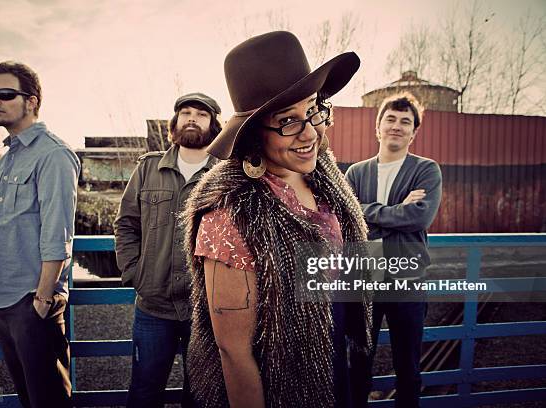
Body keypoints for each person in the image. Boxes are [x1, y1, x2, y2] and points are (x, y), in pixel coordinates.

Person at [181, 31, 372, 408]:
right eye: (288, 120)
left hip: (333, 358)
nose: (311, 131)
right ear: (253, 134)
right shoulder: (229, 212)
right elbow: (233, 352)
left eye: (313, 109)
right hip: (278, 380)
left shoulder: (324, 175)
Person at [0, 61, 80, 408]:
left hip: (31, 301)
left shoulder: (53, 154)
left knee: (49, 400)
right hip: (2, 298)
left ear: (32, 101)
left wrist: (41, 299)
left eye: (6, 94)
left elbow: (58, 233)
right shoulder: (8, 157)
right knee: (27, 397)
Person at [114, 92, 222, 407]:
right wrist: (135, 273)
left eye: (201, 114)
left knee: (201, 395)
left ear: (214, 125)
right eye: (185, 112)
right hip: (153, 307)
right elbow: (125, 225)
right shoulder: (148, 169)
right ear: (174, 123)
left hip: (204, 309)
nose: (192, 118)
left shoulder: (224, 174)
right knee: (145, 391)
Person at [346, 92, 443, 408]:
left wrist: (367, 211)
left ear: (414, 132)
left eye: (406, 122)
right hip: (365, 279)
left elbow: (419, 216)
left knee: (408, 365)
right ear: (377, 127)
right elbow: (347, 222)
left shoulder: (426, 170)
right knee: (358, 361)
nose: (397, 126)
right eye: (391, 119)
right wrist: (393, 211)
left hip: (407, 279)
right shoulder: (356, 173)